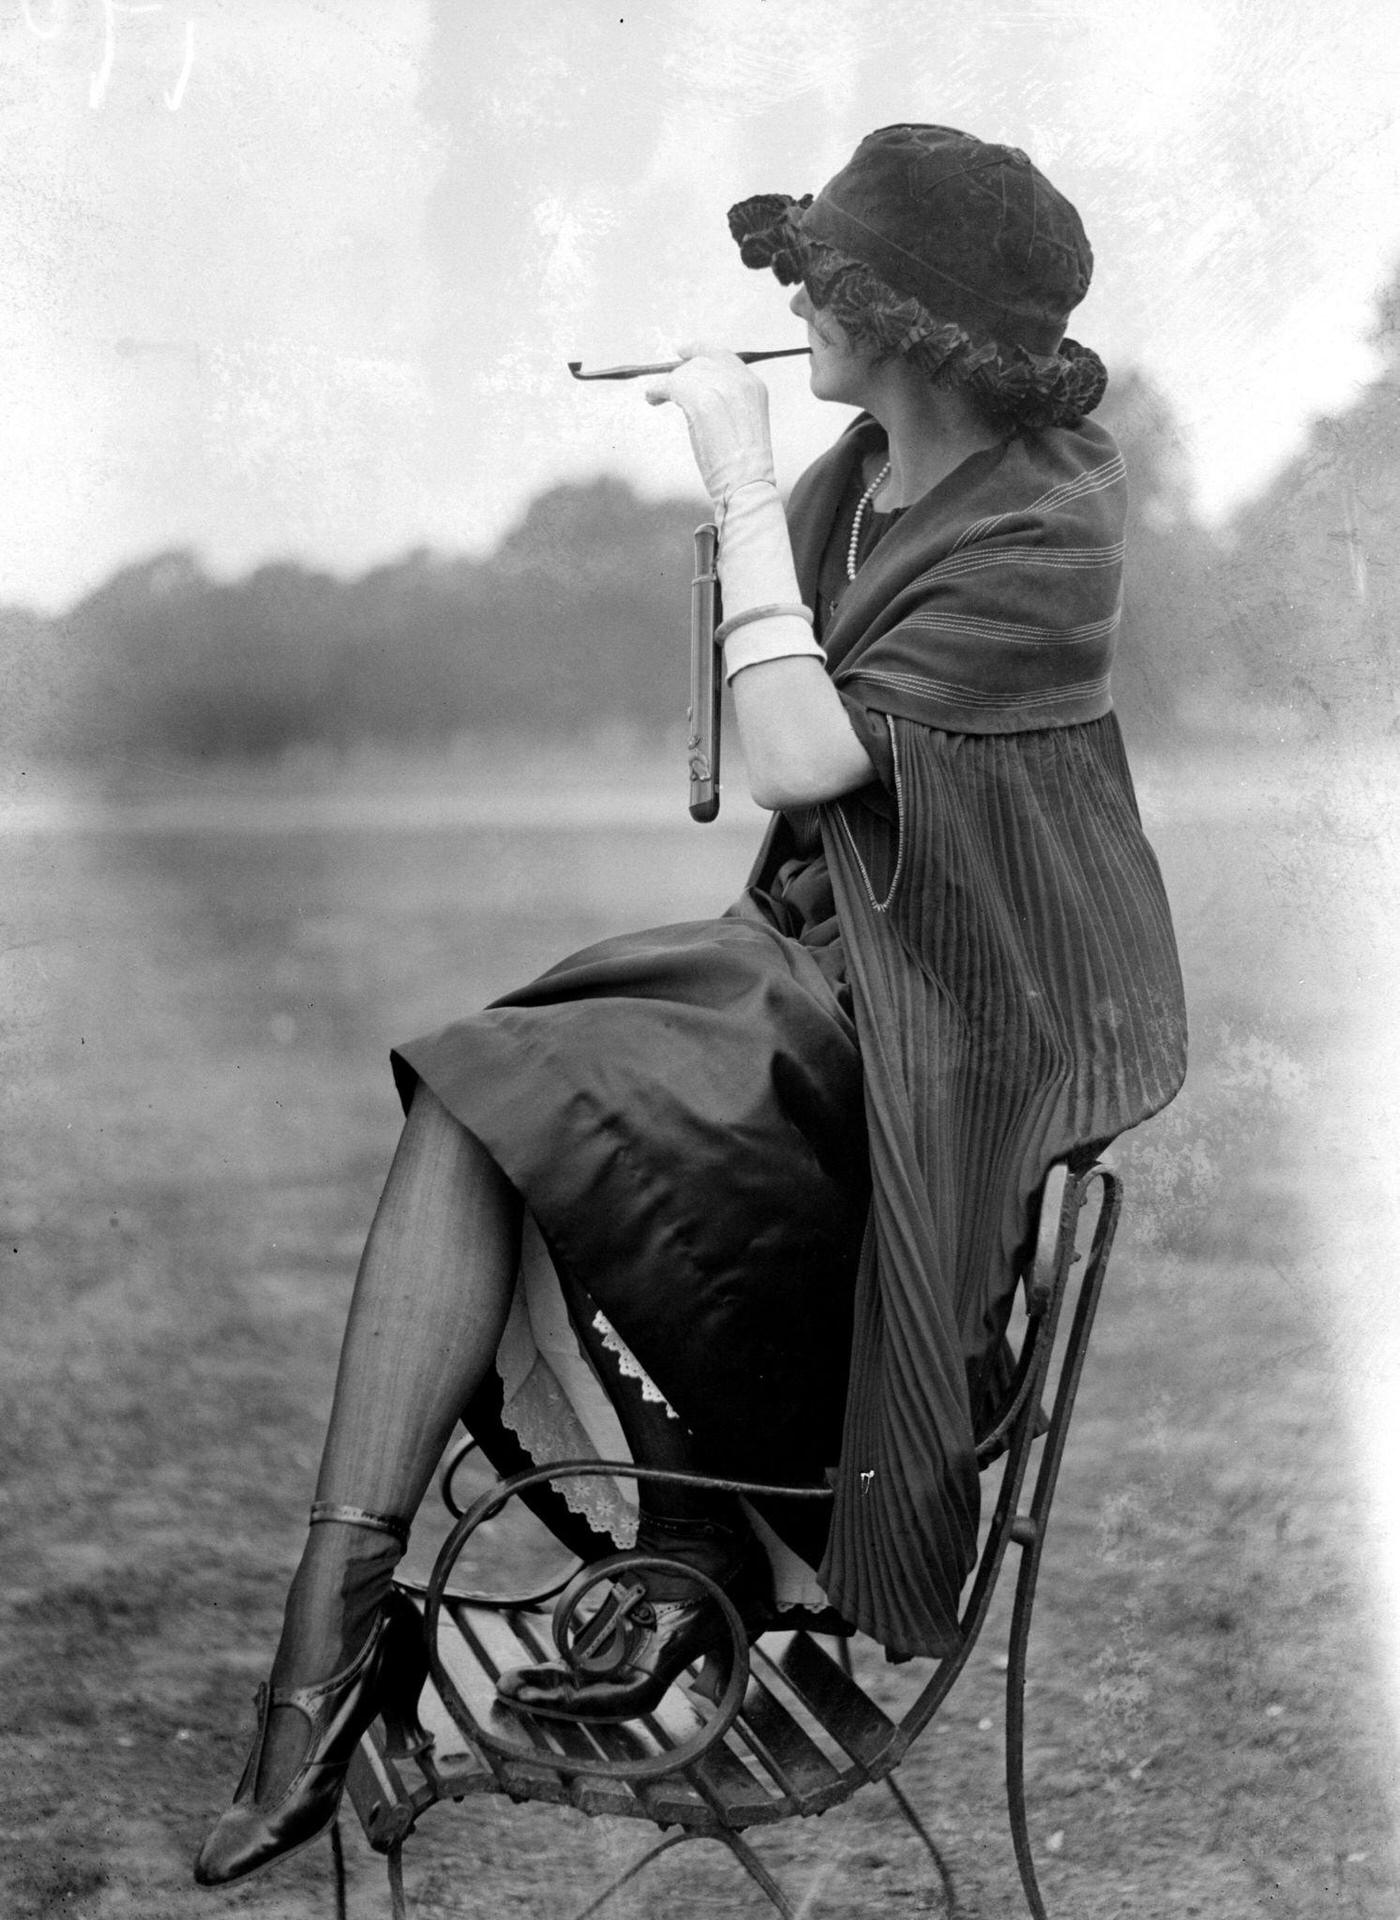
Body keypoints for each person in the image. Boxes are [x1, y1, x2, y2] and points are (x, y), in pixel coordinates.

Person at [195, 122, 1187, 1888]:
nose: (792, 302)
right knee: (494, 1083)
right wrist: (767, 497)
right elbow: (779, 778)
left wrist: (735, 475)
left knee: (528, 1075)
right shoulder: (863, 481)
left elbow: (797, 756)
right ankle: (350, 1621)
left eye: (819, 278)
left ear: (899, 317)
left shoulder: (1048, 522)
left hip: (945, 1027)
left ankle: (379, 1646)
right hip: (819, 975)